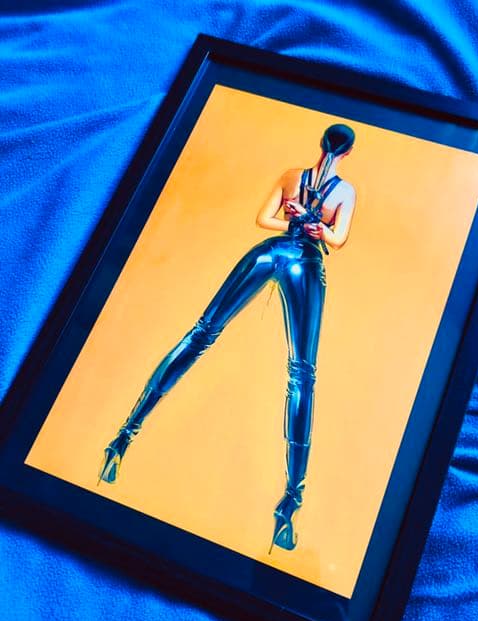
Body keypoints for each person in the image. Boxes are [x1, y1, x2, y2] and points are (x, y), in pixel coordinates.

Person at [99, 123, 357, 552]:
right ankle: (289, 504)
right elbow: (339, 238)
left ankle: (122, 438)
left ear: (322, 145)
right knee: (302, 375)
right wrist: (319, 230)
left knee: (202, 333)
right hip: (305, 264)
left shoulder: (293, 176)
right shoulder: (344, 192)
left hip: (270, 252)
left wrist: (293, 216)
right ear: (347, 154)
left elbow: (265, 220)